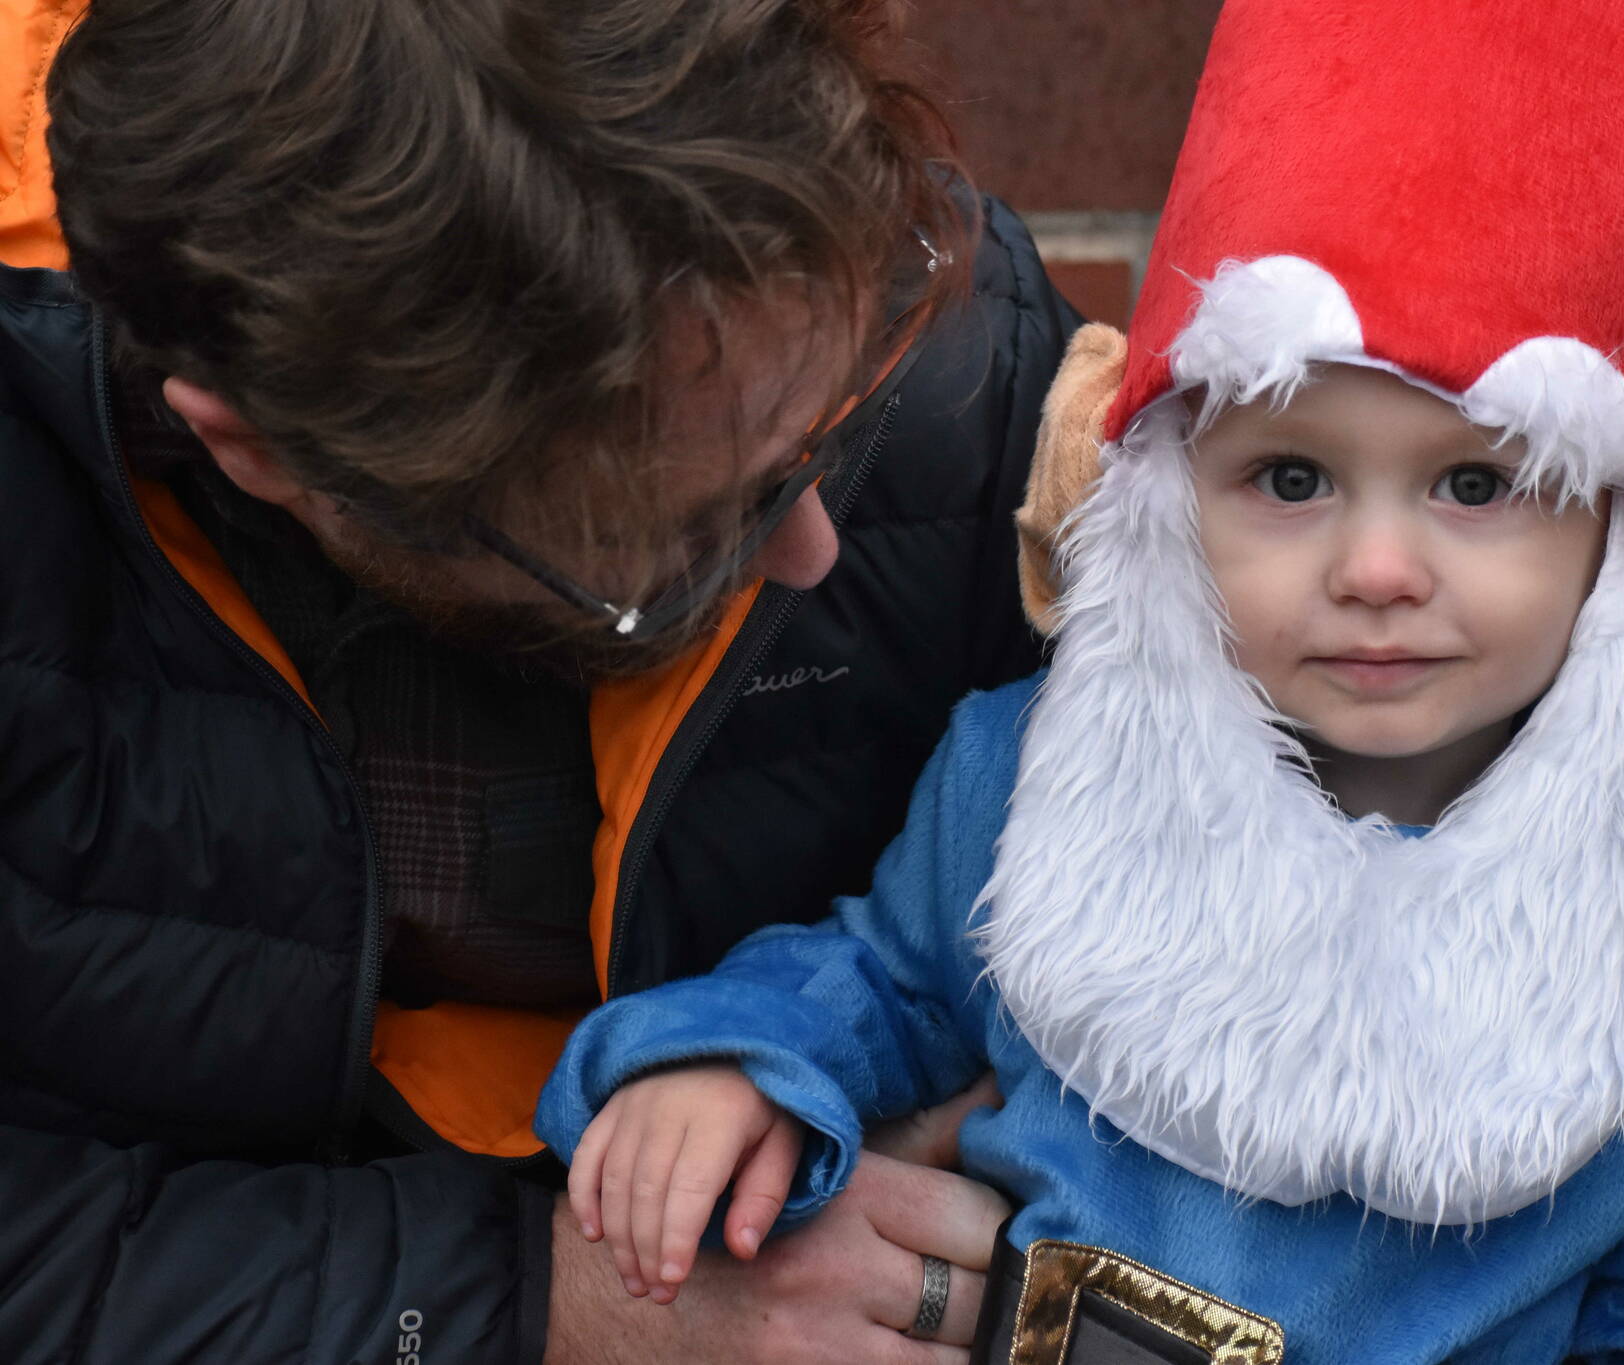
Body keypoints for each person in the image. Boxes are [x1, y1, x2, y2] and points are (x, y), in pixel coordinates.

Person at [535, 1, 1624, 1361]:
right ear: (1172, 497)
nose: (1374, 566)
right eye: (1290, 479)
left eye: (1476, 483)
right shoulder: (1032, 780)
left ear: (1622, 546)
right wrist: (734, 1065)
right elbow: (876, 984)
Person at [0, 1, 1078, 1361]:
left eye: (832, 426)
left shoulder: (958, 359)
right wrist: (537, 1302)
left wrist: (977, 1130)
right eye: (684, 541)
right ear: (262, 452)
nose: (810, 554)